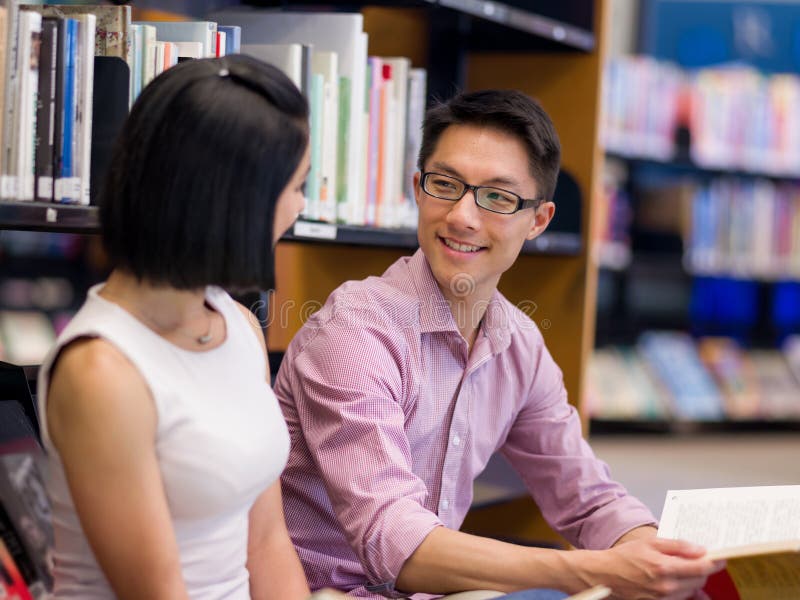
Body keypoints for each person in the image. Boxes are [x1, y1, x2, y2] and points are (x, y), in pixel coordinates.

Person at [274, 90, 724, 600]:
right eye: (445, 185)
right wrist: (594, 570)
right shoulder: (356, 328)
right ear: (418, 190)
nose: (463, 216)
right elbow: (391, 535)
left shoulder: (519, 344)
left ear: (538, 220)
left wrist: (656, 556)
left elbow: (588, 498)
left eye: (498, 197)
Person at [37, 55, 311, 600]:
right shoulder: (101, 372)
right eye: (296, 187)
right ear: (235, 205)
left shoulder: (237, 327)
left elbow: (267, 544)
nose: (300, 208)